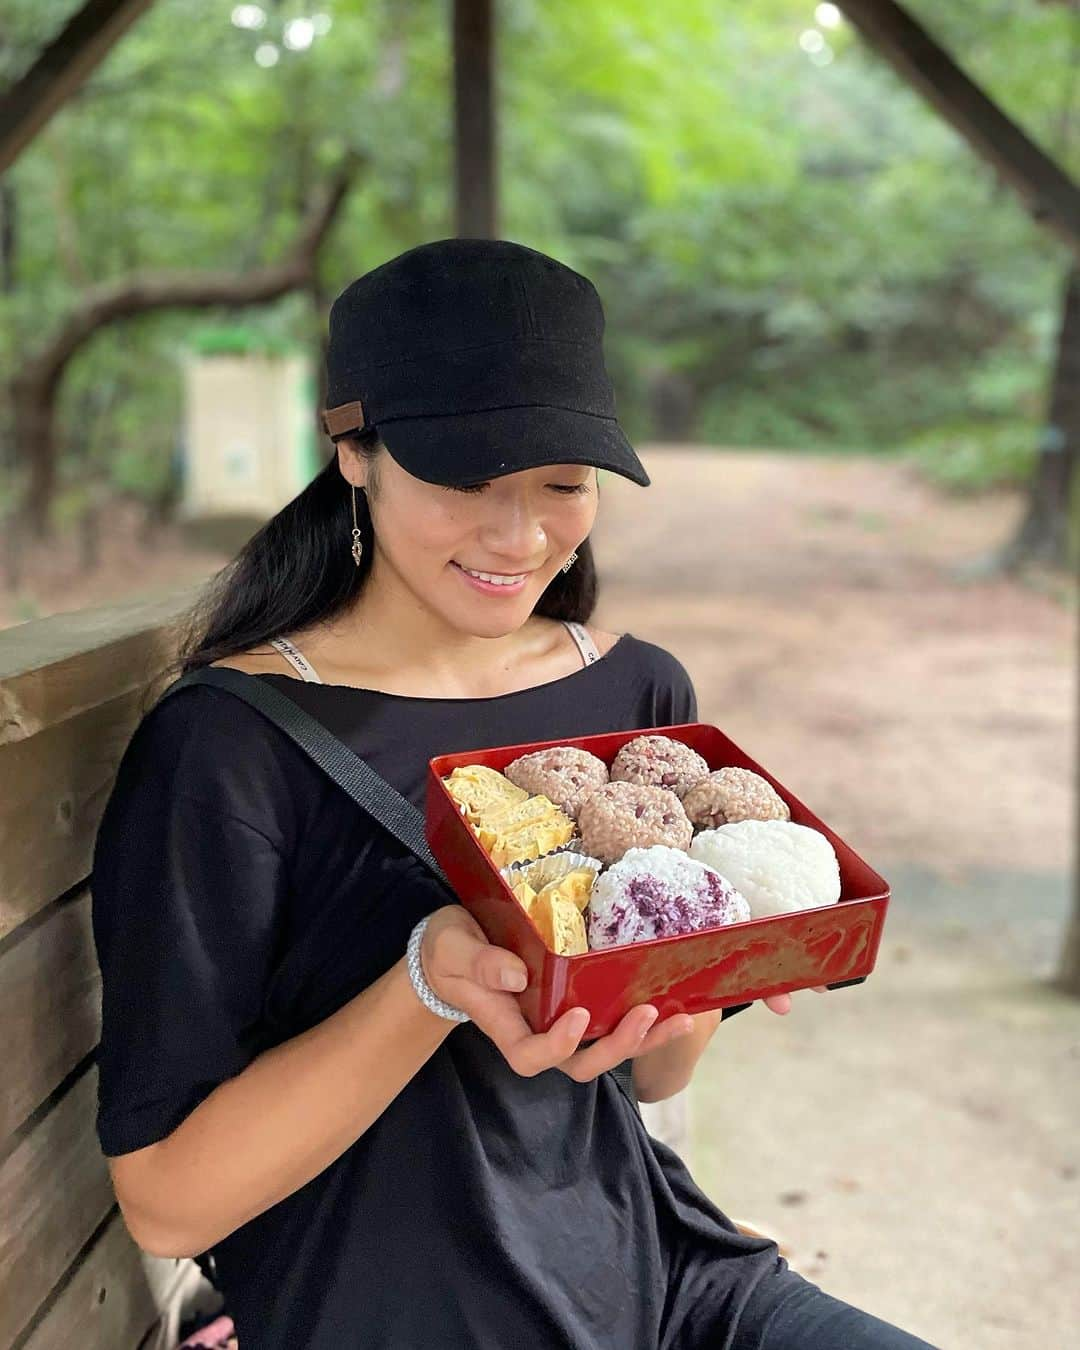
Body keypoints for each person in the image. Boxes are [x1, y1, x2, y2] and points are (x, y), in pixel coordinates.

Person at [91, 238, 938, 1349]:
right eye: (466, 480)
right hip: (402, 1314)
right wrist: (425, 983)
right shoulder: (227, 747)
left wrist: (702, 974)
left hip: (665, 1277)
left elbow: (645, 1078)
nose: (520, 535)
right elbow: (167, 1203)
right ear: (354, 448)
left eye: (562, 484)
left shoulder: (637, 690)